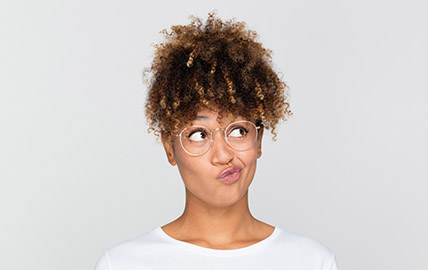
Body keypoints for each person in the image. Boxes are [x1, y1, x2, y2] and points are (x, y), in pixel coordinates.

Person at [94, 12, 337, 270]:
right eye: (199, 134)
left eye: (238, 131)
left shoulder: (311, 261)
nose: (223, 155)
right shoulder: (123, 264)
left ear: (259, 140)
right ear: (169, 148)